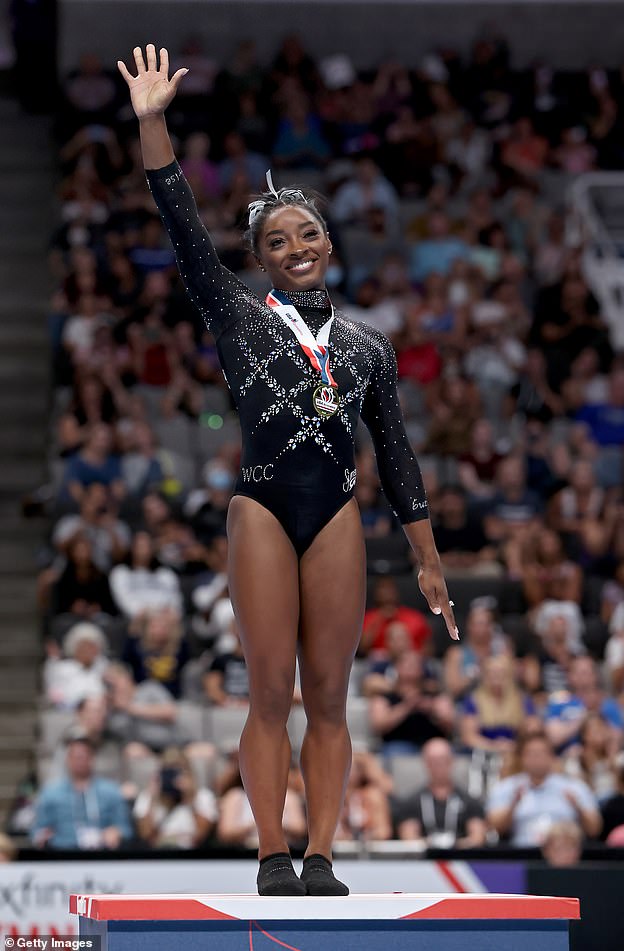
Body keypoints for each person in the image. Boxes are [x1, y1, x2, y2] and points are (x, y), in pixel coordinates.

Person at [117, 45, 456, 897]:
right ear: (261, 257)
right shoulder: (235, 312)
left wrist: (426, 556)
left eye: (307, 233)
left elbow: (398, 451)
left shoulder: (368, 345)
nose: (296, 246)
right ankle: (272, 851)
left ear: (328, 242)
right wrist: (154, 124)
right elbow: (181, 224)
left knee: (331, 698)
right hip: (263, 507)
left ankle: (323, 856)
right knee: (271, 691)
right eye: (278, 239)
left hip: (338, 510)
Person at [486, 732, 601, 846]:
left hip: (564, 856)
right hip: (521, 854)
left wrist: (578, 808)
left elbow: (594, 830)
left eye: (541, 753)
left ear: (552, 757)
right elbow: (494, 828)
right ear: (521, 758)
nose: (536, 758)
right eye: (531, 754)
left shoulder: (574, 787)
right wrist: (513, 805)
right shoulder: (506, 787)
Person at [31, 735, 132, 850]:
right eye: (75, 757)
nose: (79, 761)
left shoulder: (111, 792)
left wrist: (116, 832)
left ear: (92, 758)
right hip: (62, 854)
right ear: (68, 759)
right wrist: (42, 835)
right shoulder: (50, 793)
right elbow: (37, 830)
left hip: (101, 853)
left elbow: (125, 829)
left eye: (83, 757)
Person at [394, 738, 486, 848]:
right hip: (424, 861)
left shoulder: (469, 801)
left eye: (443, 760)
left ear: (451, 761)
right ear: (425, 763)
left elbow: (477, 838)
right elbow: (409, 838)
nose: (438, 765)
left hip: (461, 859)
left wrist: (453, 845)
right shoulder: (412, 802)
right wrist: (432, 844)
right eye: (433, 761)